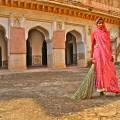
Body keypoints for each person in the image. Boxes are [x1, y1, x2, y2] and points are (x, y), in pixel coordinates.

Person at [91, 18, 120, 95]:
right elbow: (92, 45)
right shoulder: (94, 33)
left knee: (111, 70)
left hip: (106, 54)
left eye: (101, 23)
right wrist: (92, 57)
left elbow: (109, 45)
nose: (100, 24)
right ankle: (101, 90)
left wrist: (111, 55)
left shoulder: (106, 33)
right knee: (100, 71)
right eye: (99, 23)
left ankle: (115, 89)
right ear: (96, 24)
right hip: (98, 54)